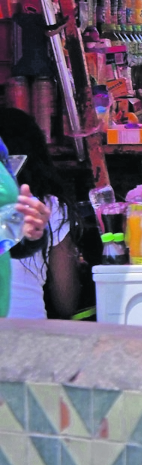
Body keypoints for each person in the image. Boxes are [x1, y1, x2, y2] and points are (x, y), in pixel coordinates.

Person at [0, 109, 80, 319]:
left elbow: (14, 246)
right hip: (27, 330)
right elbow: (66, 303)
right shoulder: (48, 206)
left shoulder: (35, 209)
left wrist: (30, 238)